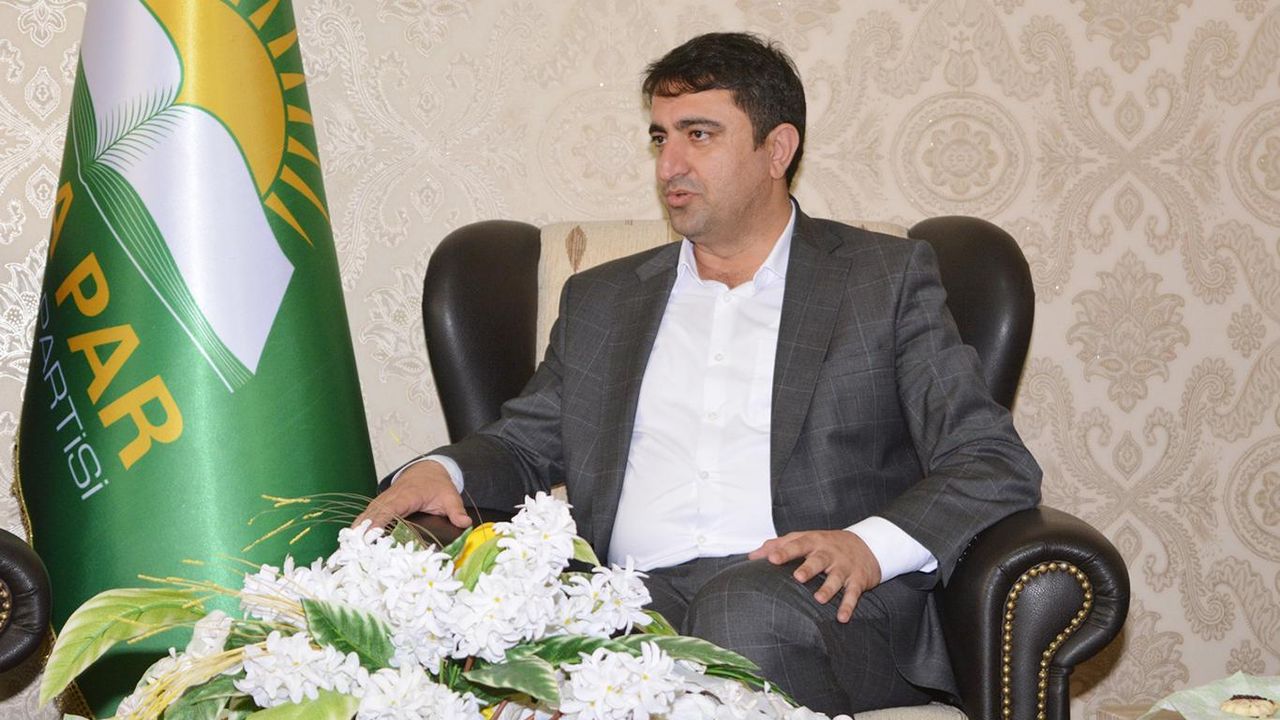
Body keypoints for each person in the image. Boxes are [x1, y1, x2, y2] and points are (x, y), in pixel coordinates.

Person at [357, 32, 1041, 715]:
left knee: (738, 607)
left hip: (817, 608)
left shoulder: (880, 281)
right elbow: (525, 442)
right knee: (529, 624)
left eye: (699, 135)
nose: (669, 165)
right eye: (661, 138)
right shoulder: (603, 299)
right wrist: (441, 470)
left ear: (777, 150)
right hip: (634, 598)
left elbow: (990, 459)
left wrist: (866, 546)